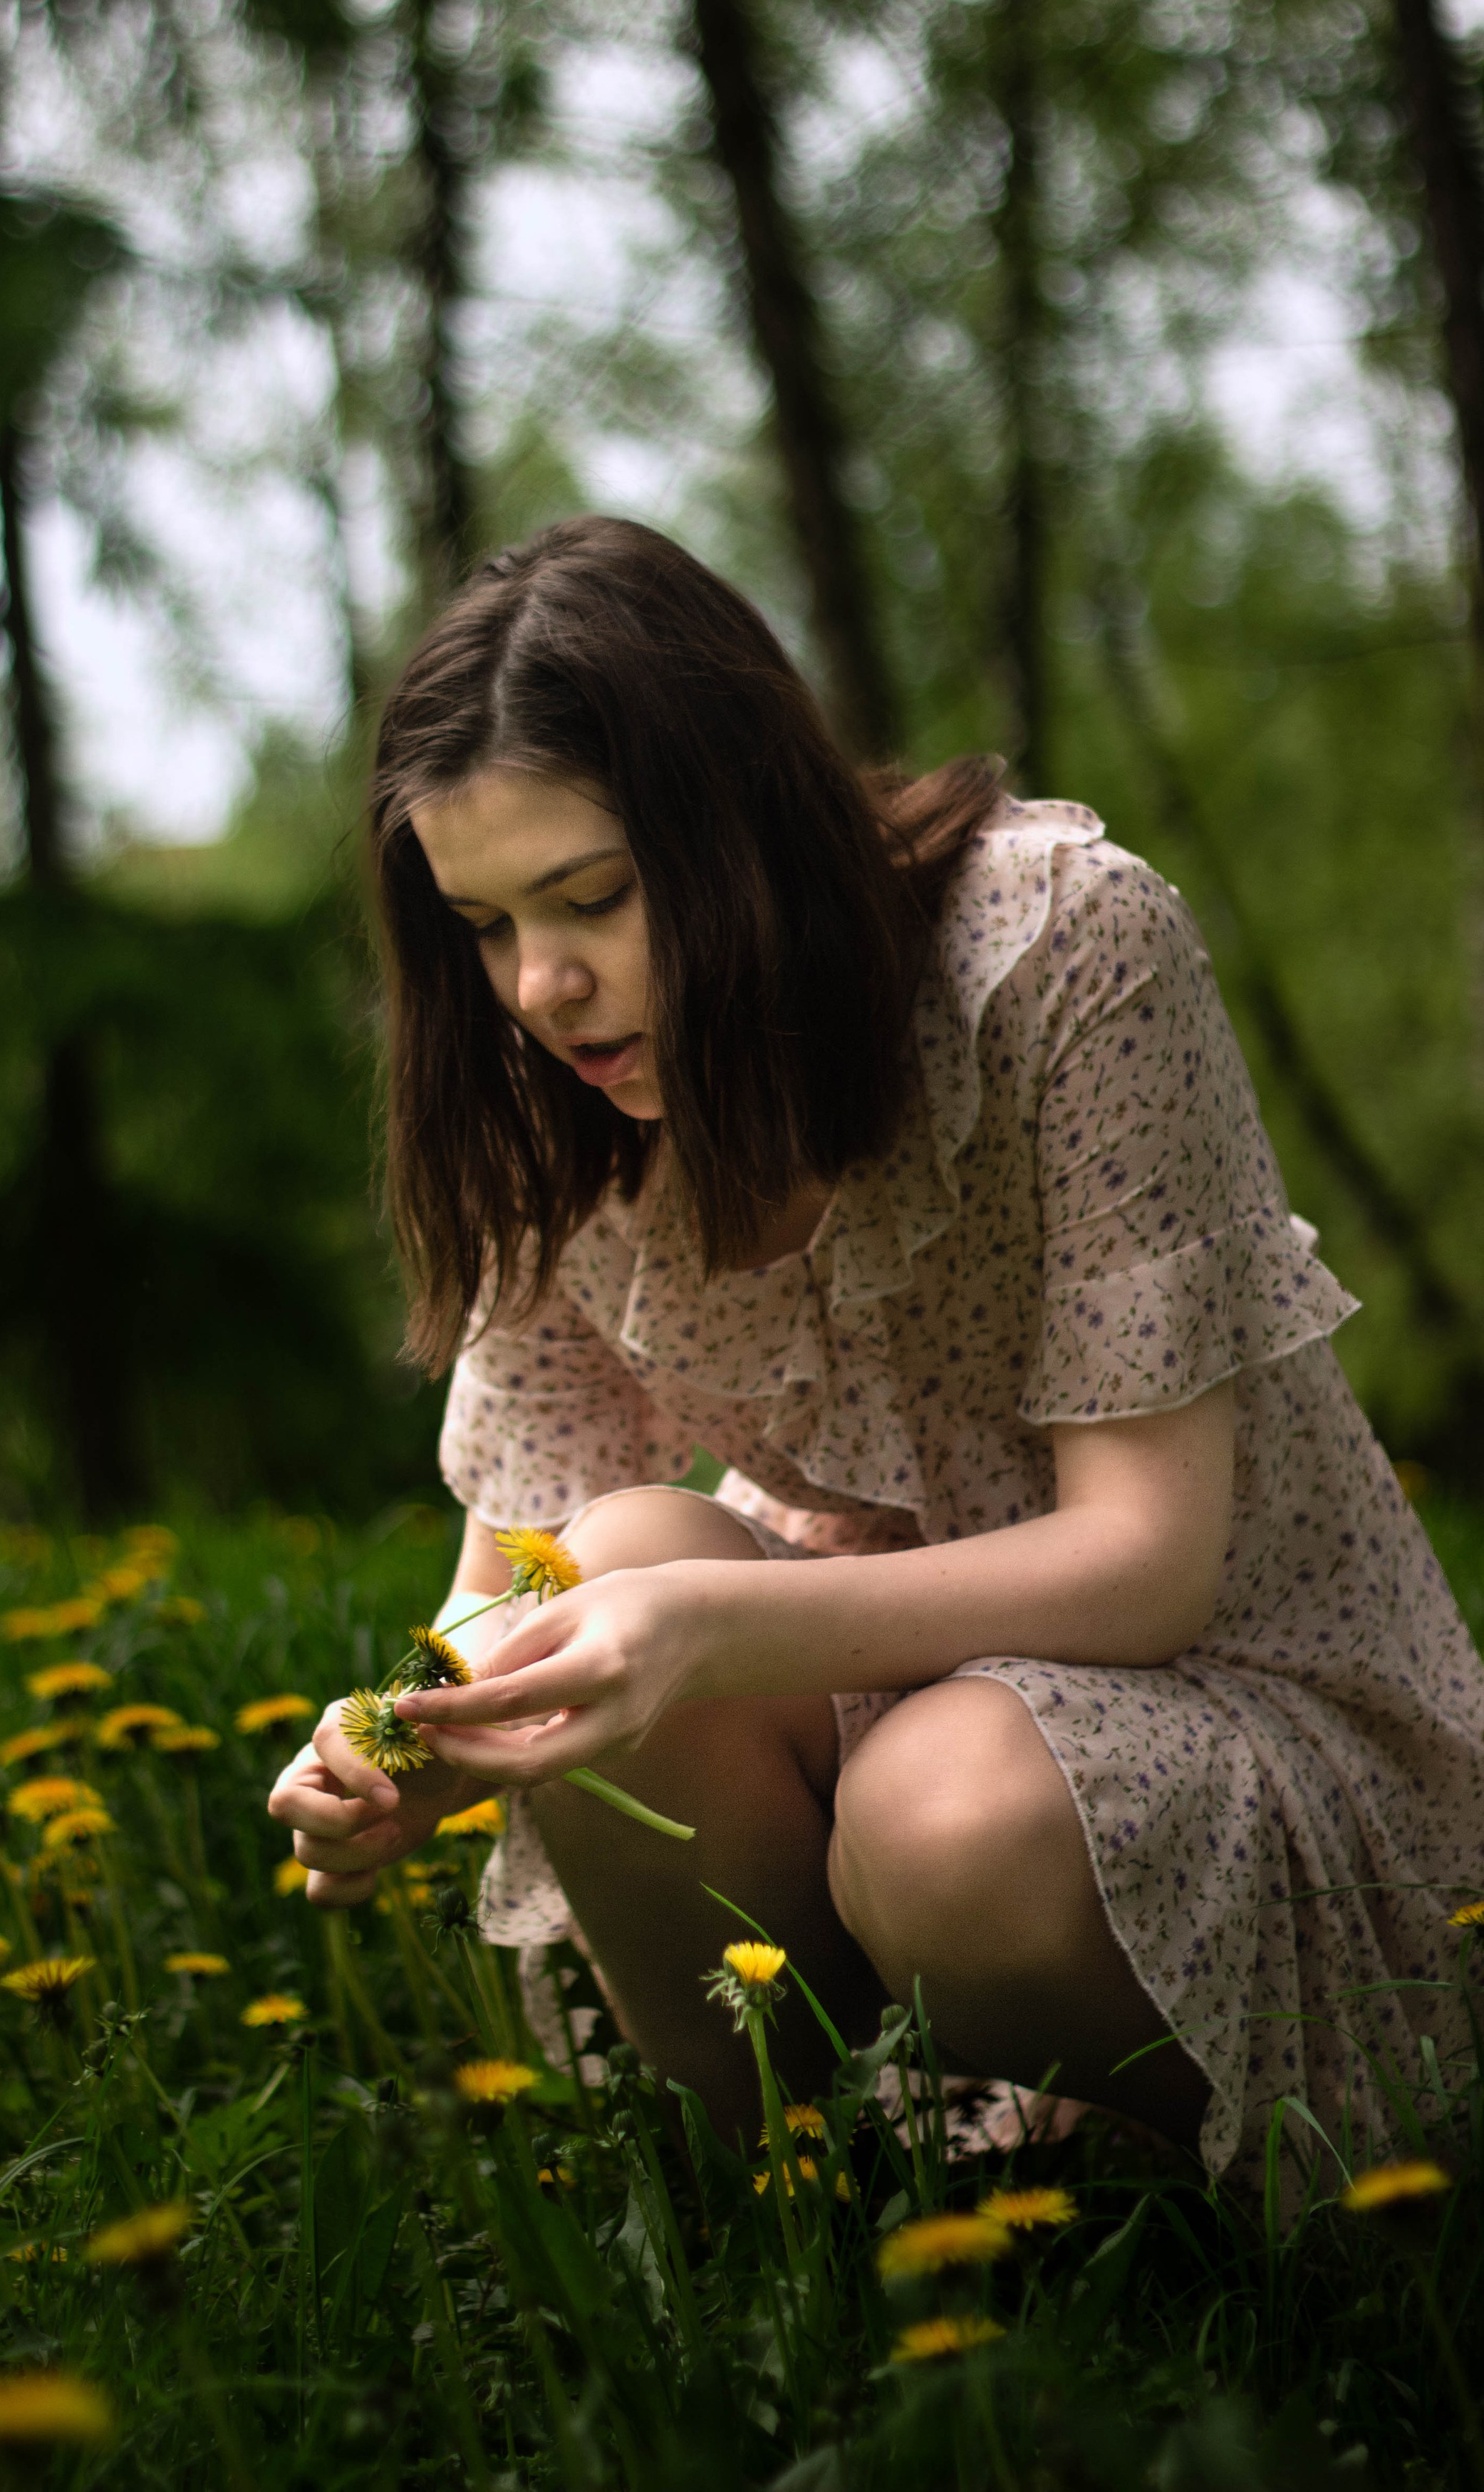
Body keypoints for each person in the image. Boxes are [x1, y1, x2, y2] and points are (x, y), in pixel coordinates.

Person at [271, 514, 1484, 2186]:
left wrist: (707, 1625)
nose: (540, 986)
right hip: (865, 1688)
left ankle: (1189, 2181)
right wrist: (405, 1735)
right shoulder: (550, 1090)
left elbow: (1147, 1567)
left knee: (935, 1809)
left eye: (592, 897)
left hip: (1219, 1693)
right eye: (480, 925)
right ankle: (794, 2207)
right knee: (598, 1576)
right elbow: (508, 1576)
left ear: (743, 824)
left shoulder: (1058, 952)